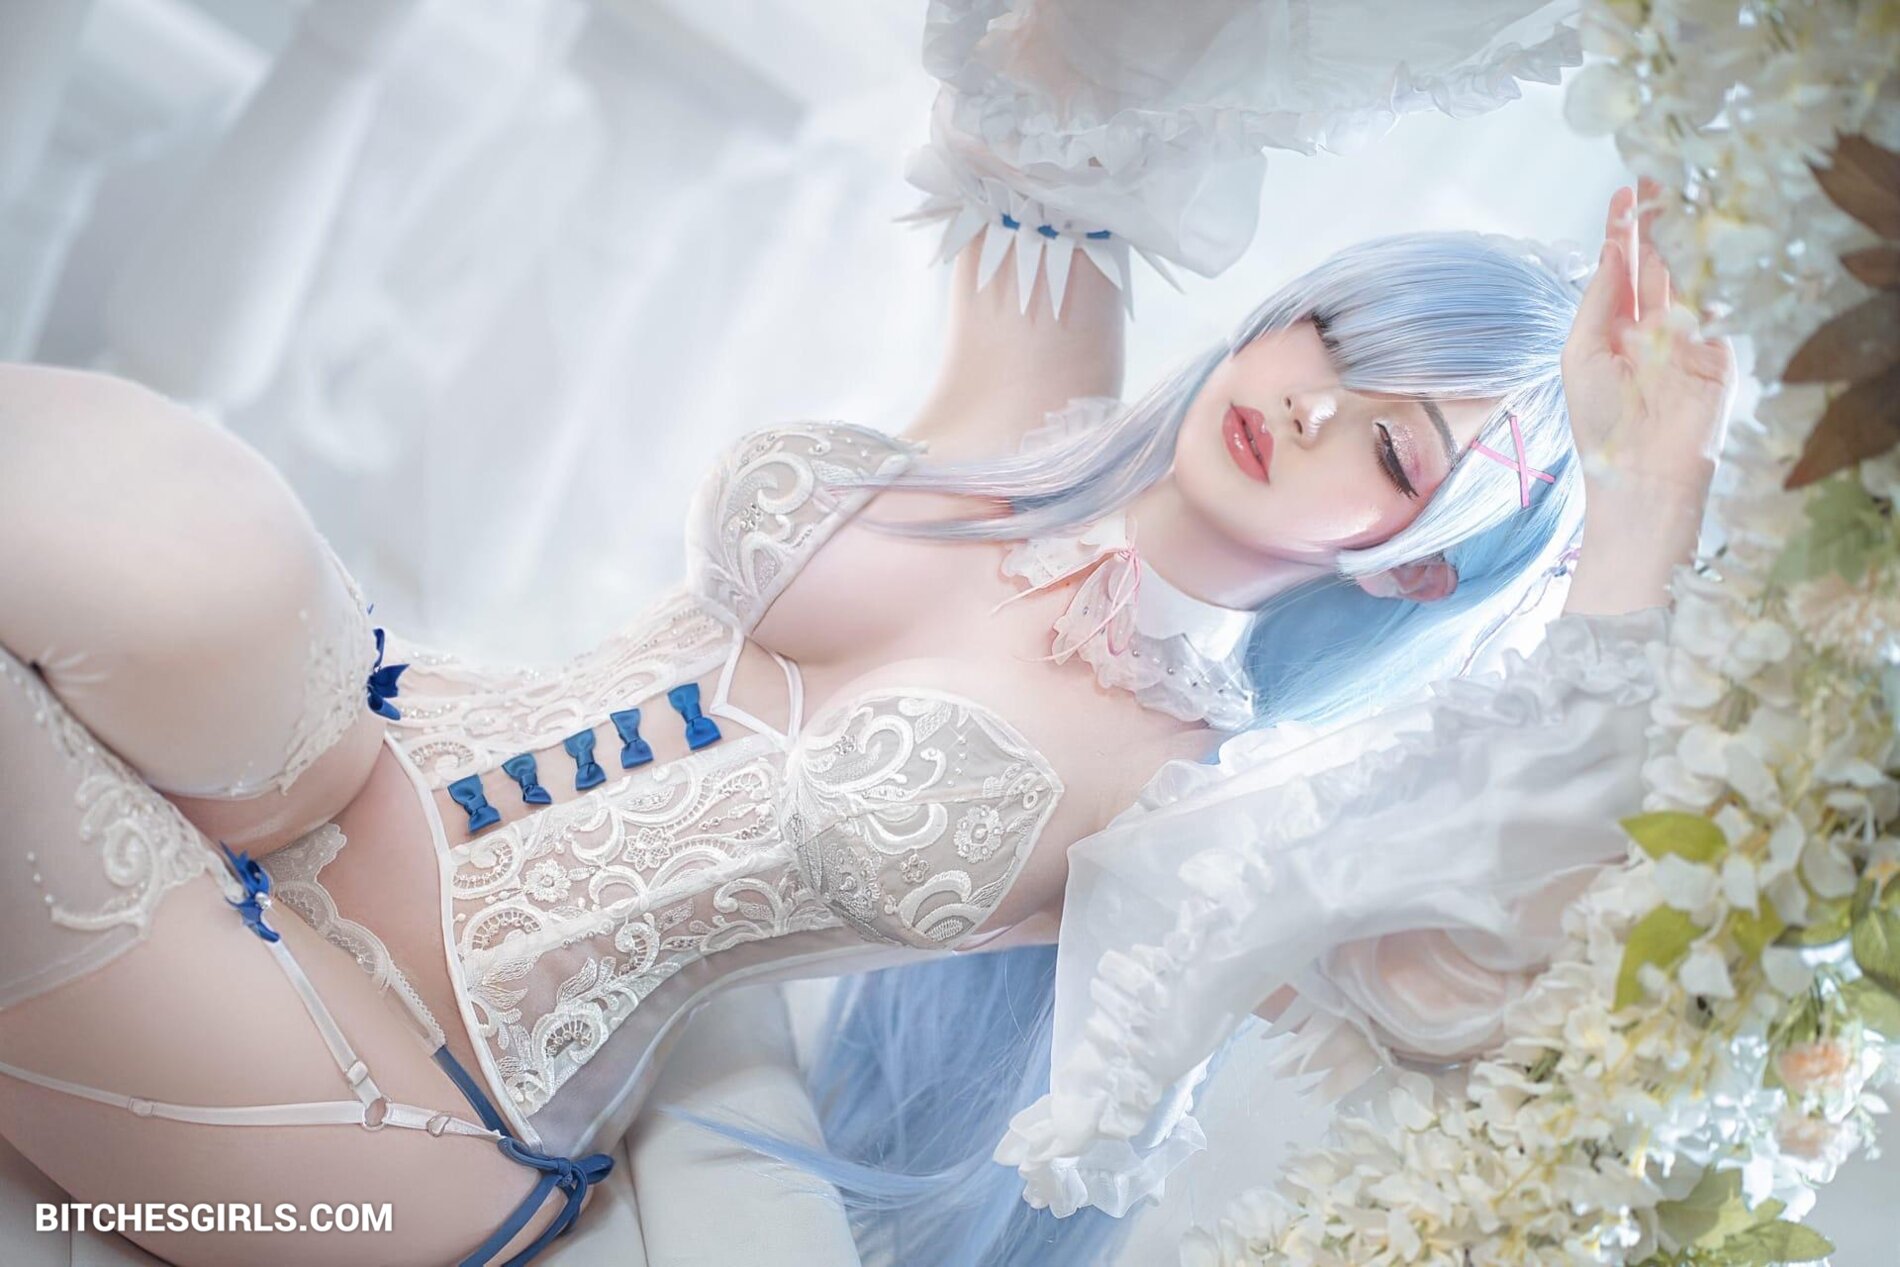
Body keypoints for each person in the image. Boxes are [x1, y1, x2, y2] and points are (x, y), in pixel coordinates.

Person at [0, 2, 1732, 1265]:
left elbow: (1504, 947)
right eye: (1337, 339)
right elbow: (1077, 66)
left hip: (393, 1098)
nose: (1314, 405)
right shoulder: (1036, 404)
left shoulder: (1199, 805)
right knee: (141, 492)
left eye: (1395, 452)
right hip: (329, 755)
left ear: (1414, 570)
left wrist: (1643, 497)